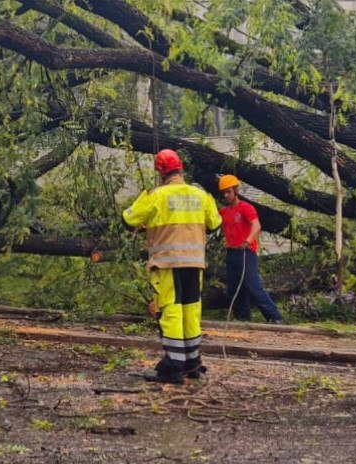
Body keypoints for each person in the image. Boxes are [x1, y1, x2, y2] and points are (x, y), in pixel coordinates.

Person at [121, 149, 221, 384]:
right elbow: (215, 223)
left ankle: (173, 365)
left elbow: (128, 220)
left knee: (171, 310)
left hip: (168, 262)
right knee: (191, 309)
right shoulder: (200, 194)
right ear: (181, 167)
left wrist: (147, 223)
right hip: (195, 263)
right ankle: (192, 361)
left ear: (160, 171)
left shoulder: (155, 195)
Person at [216, 175, 283, 325]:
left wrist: (247, 241)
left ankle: (275, 317)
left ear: (235, 190)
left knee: (252, 285)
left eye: (228, 192)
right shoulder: (223, 212)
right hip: (231, 253)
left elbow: (256, 226)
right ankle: (243, 319)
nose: (226, 195)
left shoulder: (246, 208)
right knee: (235, 288)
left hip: (246, 252)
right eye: (224, 193)